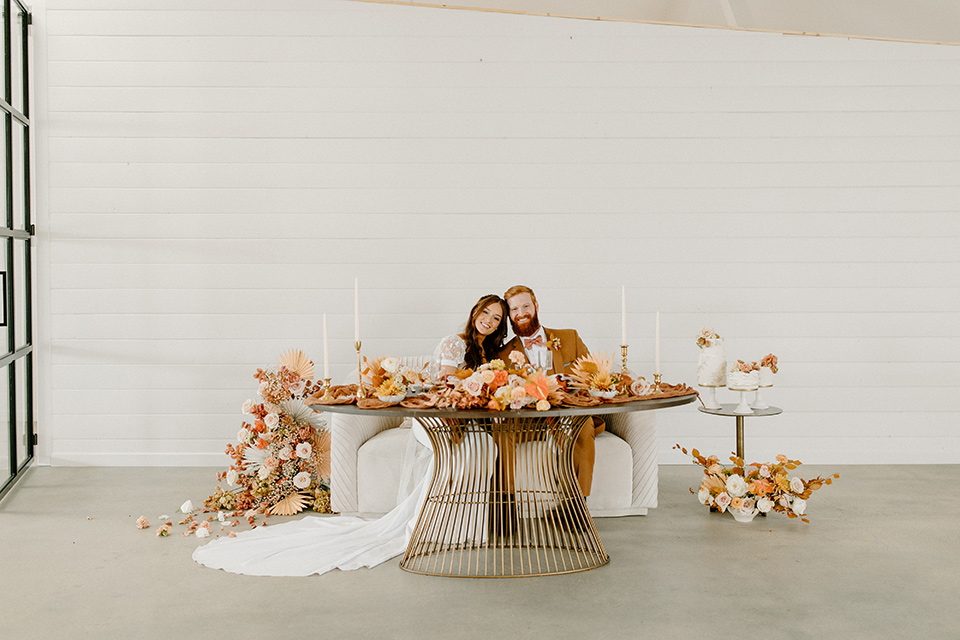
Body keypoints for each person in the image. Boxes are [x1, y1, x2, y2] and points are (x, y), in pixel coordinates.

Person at [192, 294, 507, 576]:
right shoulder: (454, 342)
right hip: (437, 416)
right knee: (463, 449)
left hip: (466, 417)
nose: (489, 321)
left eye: (496, 319)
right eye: (487, 313)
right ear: (475, 311)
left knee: (483, 446)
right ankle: (432, 524)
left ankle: (465, 527)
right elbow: (444, 386)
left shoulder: (489, 353)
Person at [498, 284, 604, 497]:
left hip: (569, 414)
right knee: (502, 432)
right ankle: (505, 504)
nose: (521, 314)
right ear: (509, 315)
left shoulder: (570, 338)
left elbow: (594, 375)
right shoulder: (503, 354)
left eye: (526, 306)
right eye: (514, 309)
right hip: (528, 422)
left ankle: (578, 506)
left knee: (583, 425)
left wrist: (567, 383)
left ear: (536, 306)